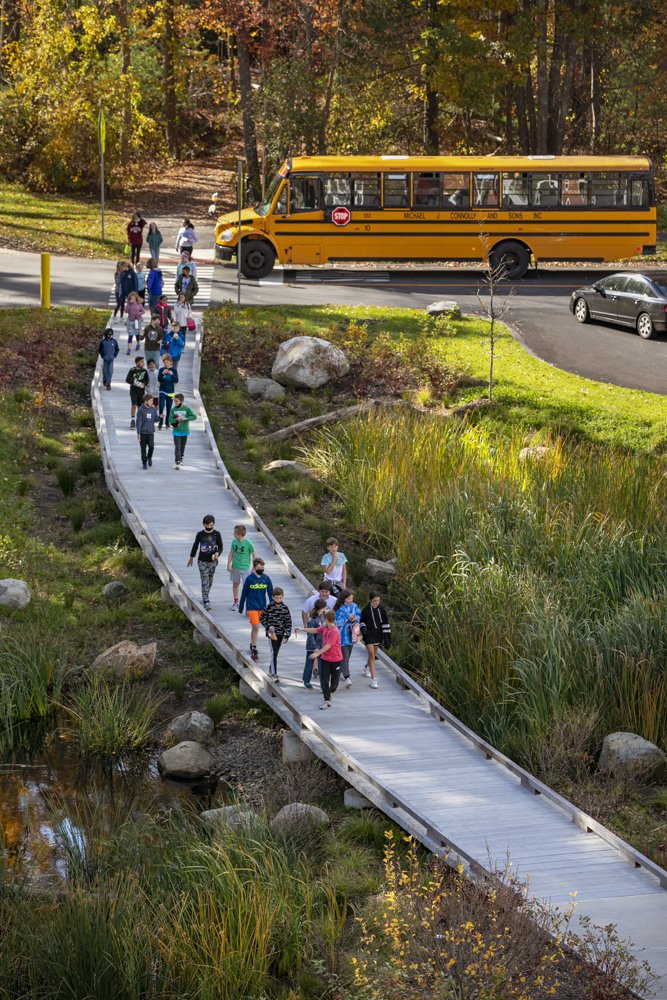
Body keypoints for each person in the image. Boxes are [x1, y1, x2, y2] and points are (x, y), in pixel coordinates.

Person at [296, 610, 342, 710]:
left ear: (327, 619)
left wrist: (317, 653)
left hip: (336, 659)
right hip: (325, 659)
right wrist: (302, 629)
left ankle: (331, 692)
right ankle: (327, 700)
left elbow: (329, 646)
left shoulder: (334, 631)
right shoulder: (325, 627)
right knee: (324, 680)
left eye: (323, 619)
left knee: (334, 683)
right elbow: (315, 630)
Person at [238, 557, 273, 662]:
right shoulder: (250, 579)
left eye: (263, 566)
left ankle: (252, 643)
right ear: (254, 567)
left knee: (264, 626)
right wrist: (241, 606)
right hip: (252, 606)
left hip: (262, 606)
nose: (262, 568)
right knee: (256, 627)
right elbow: (244, 593)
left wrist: (273, 607)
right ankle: (254, 646)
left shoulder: (266, 579)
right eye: (260, 566)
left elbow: (271, 593)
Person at [187, 514, 223, 612]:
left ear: (214, 524)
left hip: (213, 561)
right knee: (205, 580)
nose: (209, 527)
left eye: (211, 525)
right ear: (204, 524)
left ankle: (205, 594)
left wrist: (217, 553)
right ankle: (206, 600)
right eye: (207, 525)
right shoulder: (200, 534)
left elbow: (220, 546)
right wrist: (191, 557)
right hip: (202, 561)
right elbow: (195, 545)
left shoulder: (217, 534)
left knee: (210, 580)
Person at [359, 592, 391, 689]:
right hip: (368, 634)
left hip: (378, 635)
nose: (376, 602)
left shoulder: (382, 610)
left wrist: (387, 638)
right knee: (372, 654)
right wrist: (363, 628)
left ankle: (366, 667)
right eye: (374, 601)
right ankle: (374, 679)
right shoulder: (366, 610)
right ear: (370, 600)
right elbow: (362, 621)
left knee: (372, 655)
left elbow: (385, 623)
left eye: (378, 600)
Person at [259, 587, 292, 682]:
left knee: (276, 653)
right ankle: (274, 674)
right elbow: (262, 618)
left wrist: (287, 635)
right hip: (271, 634)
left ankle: (271, 667)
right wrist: (268, 626)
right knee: (273, 652)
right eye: (276, 598)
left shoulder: (285, 608)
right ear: (273, 597)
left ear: (283, 597)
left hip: (281, 634)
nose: (278, 600)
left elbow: (288, 622)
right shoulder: (268, 607)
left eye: (280, 598)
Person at [334, 589, 362, 689]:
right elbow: (336, 622)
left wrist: (355, 618)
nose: (351, 600)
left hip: (352, 635)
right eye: (349, 598)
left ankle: (340, 671)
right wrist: (347, 617)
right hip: (341, 636)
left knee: (347, 656)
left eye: (351, 598)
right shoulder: (339, 608)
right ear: (344, 599)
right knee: (345, 657)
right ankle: (347, 677)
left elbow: (359, 615)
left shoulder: (354, 606)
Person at [226, 523, 255, 611]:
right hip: (235, 567)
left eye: (234, 533)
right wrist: (228, 565)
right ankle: (236, 602)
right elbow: (231, 554)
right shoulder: (234, 542)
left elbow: (254, 555)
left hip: (245, 568)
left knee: (247, 586)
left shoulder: (248, 543)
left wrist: (254, 568)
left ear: (239, 534)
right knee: (235, 584)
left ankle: (248, 604)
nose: (233, 534)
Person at [302, 597, 326, 689]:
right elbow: (310, 635)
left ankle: (322, 682)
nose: (325, 609)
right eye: (324, 608)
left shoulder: (323, 617)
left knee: (322, 664)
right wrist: (314, 647)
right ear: (321, 608)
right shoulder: (312, 620)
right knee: (309, 663)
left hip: (321, 645)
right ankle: (306, 680)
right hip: (312, 645)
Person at [169, 392, 197, 468]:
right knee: (177, 446)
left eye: (176, 401)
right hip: (176, 431)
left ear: (181, 401)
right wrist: (176, 420)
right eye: (174, 401)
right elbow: (170, 420)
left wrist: (185, 418)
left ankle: (181, 457)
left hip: (185, 431)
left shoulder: (187, 409)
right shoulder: (173, 410)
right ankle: (177, 460)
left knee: (182, 446)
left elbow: (194, 416)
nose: (175, 402)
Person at [125, 356, 148, 429]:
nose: (143, 363)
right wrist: (134, 383)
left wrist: (144, 384)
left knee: (140, 406)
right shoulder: (132, 370)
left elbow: (147, 380)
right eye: (141, 362)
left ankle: (140, 420)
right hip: (133, 390)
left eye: (143, 362)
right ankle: (132, 420)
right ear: (137, 363)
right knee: (134, 405)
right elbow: (127, 379)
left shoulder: (144, 371)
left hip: (141, 391)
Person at [135, 393, 157, 469]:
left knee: (151, 446)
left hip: (150, 432)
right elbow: (138, 423)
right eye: (151, 401)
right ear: (145, 401)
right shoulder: (140, 410)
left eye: (152, 401)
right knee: (143, 449)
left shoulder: (153, 409)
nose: (152, 402)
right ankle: (144, 463)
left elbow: (155, 419)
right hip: (143, 433)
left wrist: (160, 417)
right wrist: (138, 433)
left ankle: (149, 457)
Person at [158, 355, 178, 430]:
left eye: (168, 362)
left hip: (170, 392)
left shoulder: (174, 370)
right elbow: (159, 379)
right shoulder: (161, 370)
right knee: (161, 406)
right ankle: (160, 422)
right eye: (165, 362)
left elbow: (176, 380)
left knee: (169, 408)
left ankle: (167, 422)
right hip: (162, 391)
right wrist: (163, 374)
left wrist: (172, 374)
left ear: (171, 362)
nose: (166, 364)